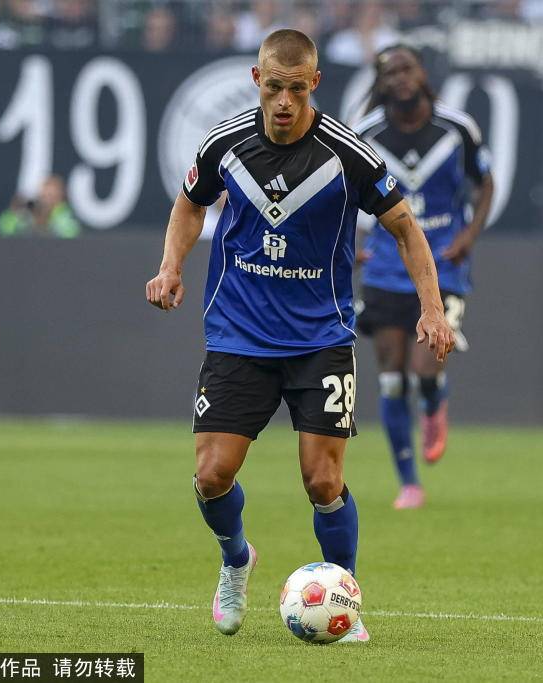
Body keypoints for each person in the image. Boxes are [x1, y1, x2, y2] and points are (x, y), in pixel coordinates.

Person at [145, 29, 455, 643]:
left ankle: (344, 599)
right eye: (274, 87)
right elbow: (189, 204)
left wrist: (433, 309)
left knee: (323, 481)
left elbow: (405, 228)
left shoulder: (348, 155)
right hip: (238, 336)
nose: (284, 101)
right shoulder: (224, 145)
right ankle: (237, 559)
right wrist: (170, 266)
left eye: (296, 89)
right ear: (256, 81)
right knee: (211, 476)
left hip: (320, 340)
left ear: (315, 83)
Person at [353, 45, 494, 509]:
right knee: (391, 378)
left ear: (422, 74)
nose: (400, 77)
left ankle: (434, 401)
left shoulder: (457, 128)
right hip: (385, 266)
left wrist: (469, 235)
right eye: (390, 72)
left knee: (423, 370)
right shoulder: (364, 134)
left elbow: (485, 182)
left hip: (443, 264)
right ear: (380, 83)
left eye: (407, 68)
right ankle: (409, 483)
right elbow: (341, 191)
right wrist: (348, 242)